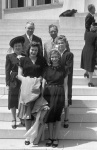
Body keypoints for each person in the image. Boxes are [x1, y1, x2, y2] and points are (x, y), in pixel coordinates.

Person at [17, 42, 47, 145]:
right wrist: (28, 80)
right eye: (32, 49)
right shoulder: (23, 60)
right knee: (27, 115)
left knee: (37, 113)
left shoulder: (42, 60)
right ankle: (27, 136)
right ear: (28, 49)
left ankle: (35, 135)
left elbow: (44, 74)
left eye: (35, 50)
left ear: (38, 51)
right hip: (26, 89)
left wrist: (38, 80)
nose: (33, 51)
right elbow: (19, 75)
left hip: (38, 89)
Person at [43, 49, 68, 148]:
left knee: (57, 116)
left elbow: (66, 85)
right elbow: (43, 83)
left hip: (59, 93)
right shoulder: (46, 69)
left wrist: (66, 99)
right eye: (52, 57)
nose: (54, 59)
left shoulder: (64, 69)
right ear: (50, 58)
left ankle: (56, 138)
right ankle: (50, 137)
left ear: (59, 57)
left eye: (56, 57)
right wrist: (41, 96)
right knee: (49, 116)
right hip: (48, 94)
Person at [5, 36, 25, 129]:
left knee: (22, 100)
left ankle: (21, 117)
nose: (18, 47)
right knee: (12, 99)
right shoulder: (9, 56)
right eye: (16, 46)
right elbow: (7, 70)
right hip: (13, 80)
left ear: (22, 46)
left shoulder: (25, 56)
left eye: (19, 46)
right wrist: (8, 83)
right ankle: (13, 119)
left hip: (23, 80)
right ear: (13, 47)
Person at [57, 35, 74, 128]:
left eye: (62, 43)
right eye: (58, 43)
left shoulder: (69, 54)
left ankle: (66, 118)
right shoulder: (56, 54)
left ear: (65, 44)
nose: (60, 45)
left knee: (66, 98)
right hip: (57, 80)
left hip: (66, 79)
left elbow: (68, 67)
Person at [84, 4, 96, 78]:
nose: (95, 10)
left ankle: (87, 70)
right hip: (89, 36)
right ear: (91, 9)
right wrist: (92, 30)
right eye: (94, 9)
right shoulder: (89, 16)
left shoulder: (91, 15)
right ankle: (87, 70)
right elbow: (87, 26)